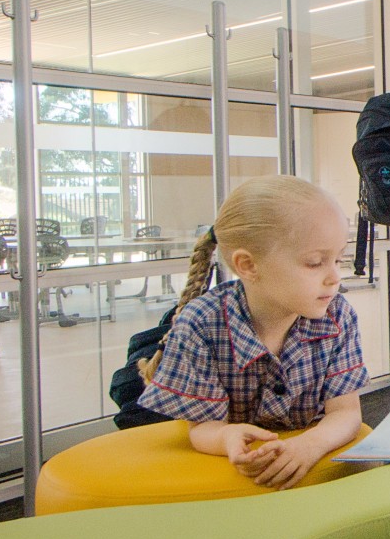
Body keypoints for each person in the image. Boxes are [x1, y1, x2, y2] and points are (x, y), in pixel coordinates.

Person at [136, 176, 365, 490]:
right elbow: (202, 426)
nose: (335, 277)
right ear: (247, 265)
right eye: (314, 262)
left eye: (338, 259)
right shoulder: (201, 325)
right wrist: (226, 436)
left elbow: (347, 412)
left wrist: (309, 446)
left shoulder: (338, 316)